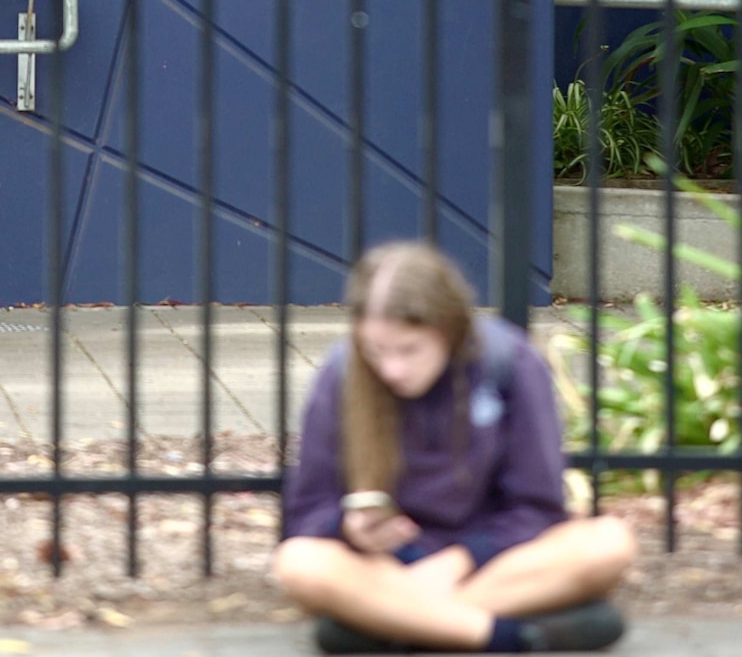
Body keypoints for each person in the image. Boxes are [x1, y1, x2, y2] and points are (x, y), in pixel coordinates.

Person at [272, 240, 637, 653]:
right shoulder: (342, 372)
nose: (392, 369)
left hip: (494, 559)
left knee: (609, 543)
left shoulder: (510, 362)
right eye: (376, 350)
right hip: (387, 564)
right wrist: (348, 525)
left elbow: (537, 507)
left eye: (409, 350)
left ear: (447, 331)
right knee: (300, 563)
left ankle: (389, 625)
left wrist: (459, 560)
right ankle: (507, 635)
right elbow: (305, 515)